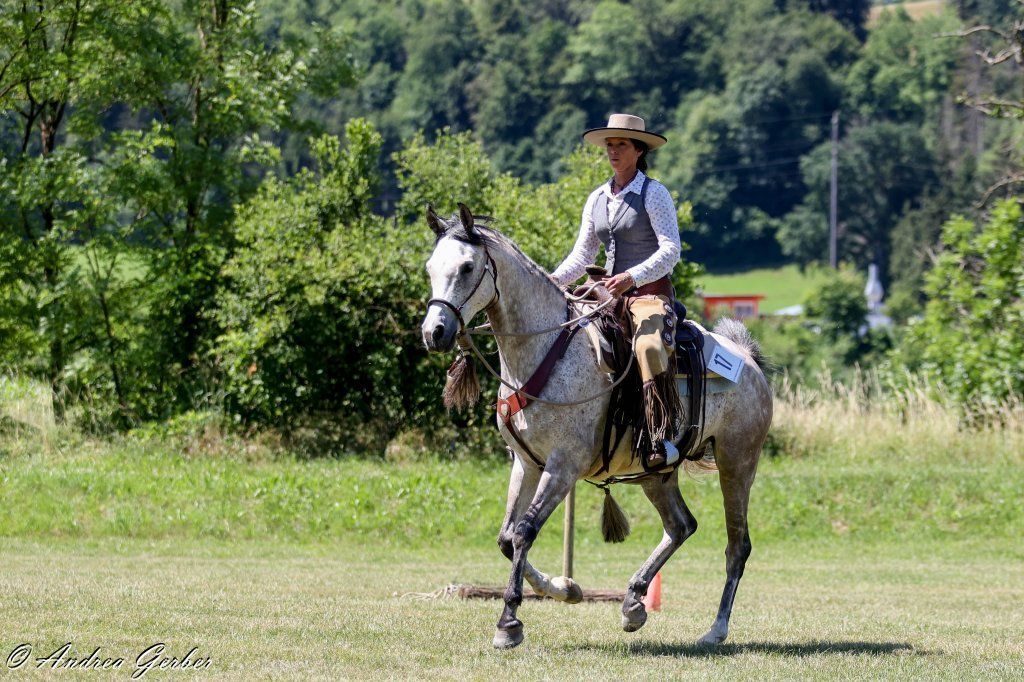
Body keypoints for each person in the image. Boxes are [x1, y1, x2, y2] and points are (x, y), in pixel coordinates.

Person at [551, 113, 683, 469]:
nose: (613, 150)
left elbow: (671, 250)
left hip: (648, 295)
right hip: (605, 294)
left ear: (638, 150)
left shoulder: (654, 194)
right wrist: (552, 282)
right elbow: (582, 255)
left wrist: (632, 277)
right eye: (609, 144)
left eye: (621, 144)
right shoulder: (596, 198)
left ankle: (661, 434)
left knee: (648, 346)